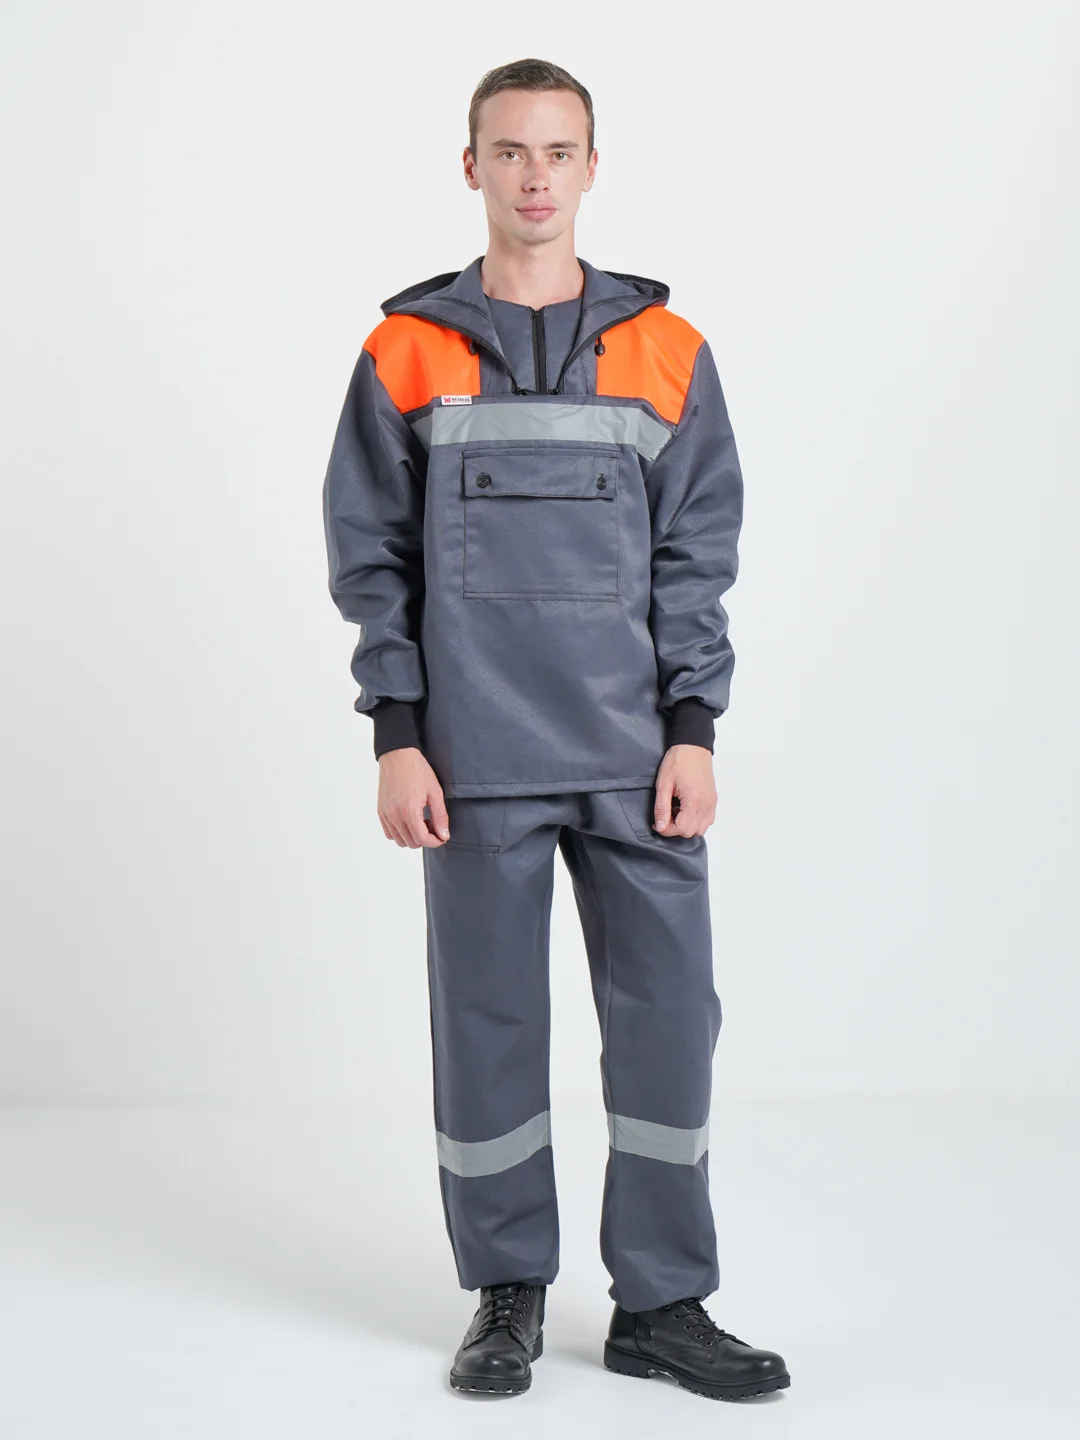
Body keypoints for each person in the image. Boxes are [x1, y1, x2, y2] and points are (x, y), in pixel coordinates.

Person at [321, 57, 790, 1403]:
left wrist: (694, 726)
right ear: (470, 167)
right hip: (472, 758)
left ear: (593, 168)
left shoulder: (668, 350)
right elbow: (370, 556)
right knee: (488, 1027)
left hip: (640, 758)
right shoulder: (404, 351)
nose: (536, 176)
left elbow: (697, 555)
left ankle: (663, 1302)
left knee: (668, 1027)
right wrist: (397, 731)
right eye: (511, 150)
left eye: (559, 151)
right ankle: (507, 1293)